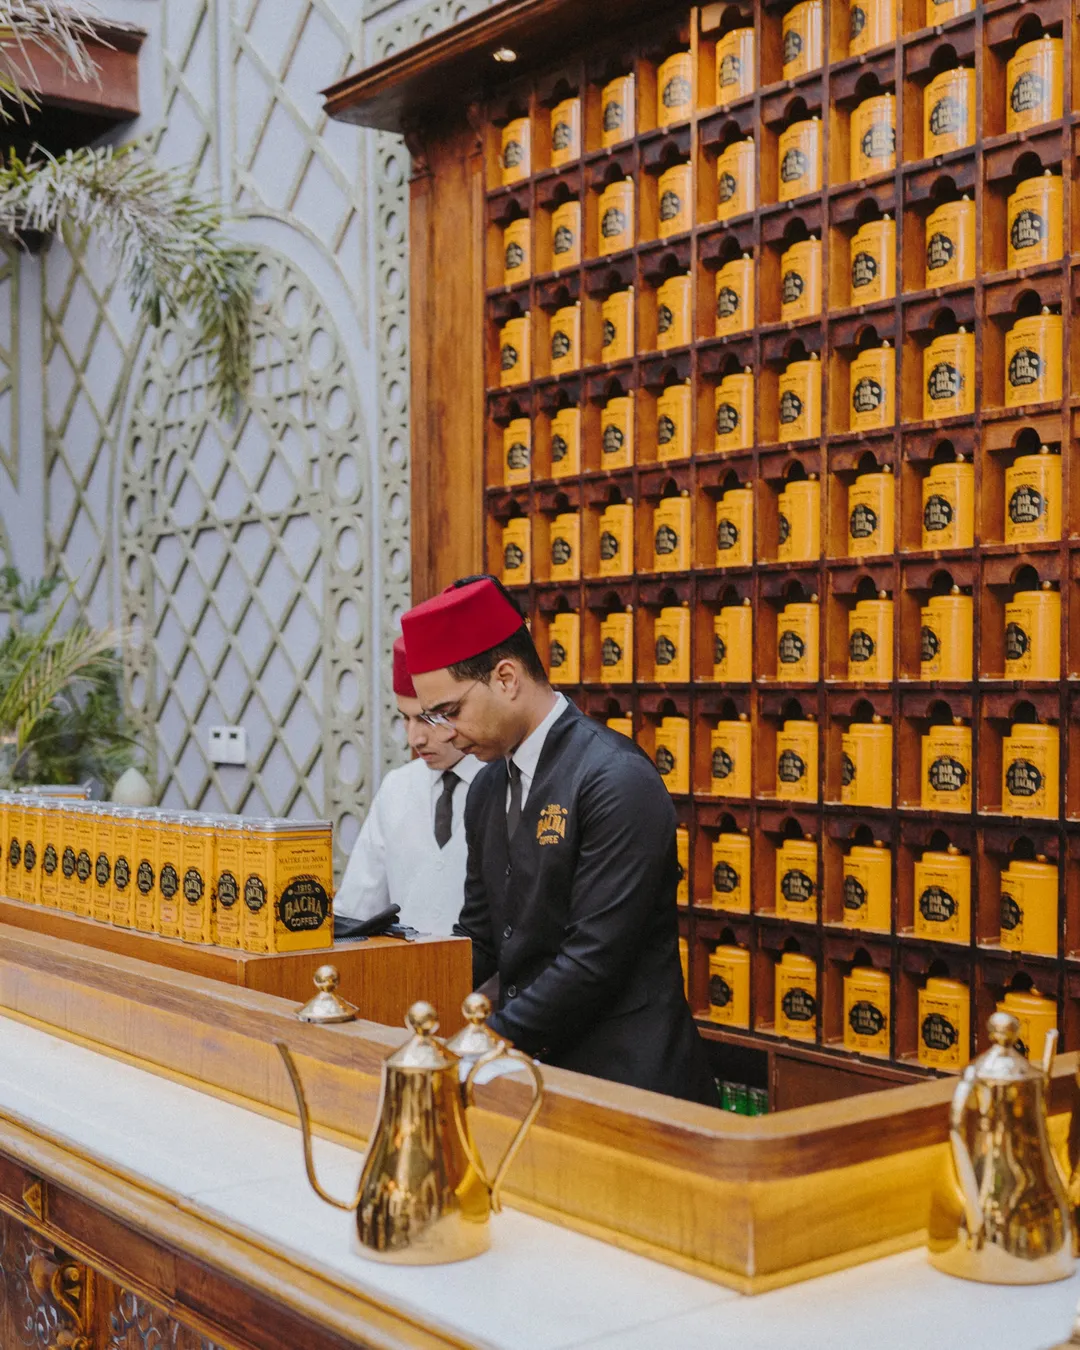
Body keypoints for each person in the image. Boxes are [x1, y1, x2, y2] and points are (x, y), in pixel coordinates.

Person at [401, 575, 715, 1105]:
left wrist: (481, 1043)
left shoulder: (614, 779)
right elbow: (480, 938)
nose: (444, 733)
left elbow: (593, 962)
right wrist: (405, 1008)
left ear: (506, 678)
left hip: (629, 1084)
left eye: (450, 712)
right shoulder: (487, 788)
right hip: (532, 1072)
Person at [334, 637, 481, 934]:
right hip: (406, 963)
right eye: (406, 719)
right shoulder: (397, 788)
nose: (415, 739)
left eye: (428, 719)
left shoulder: (508, 783)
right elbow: (356, 911)